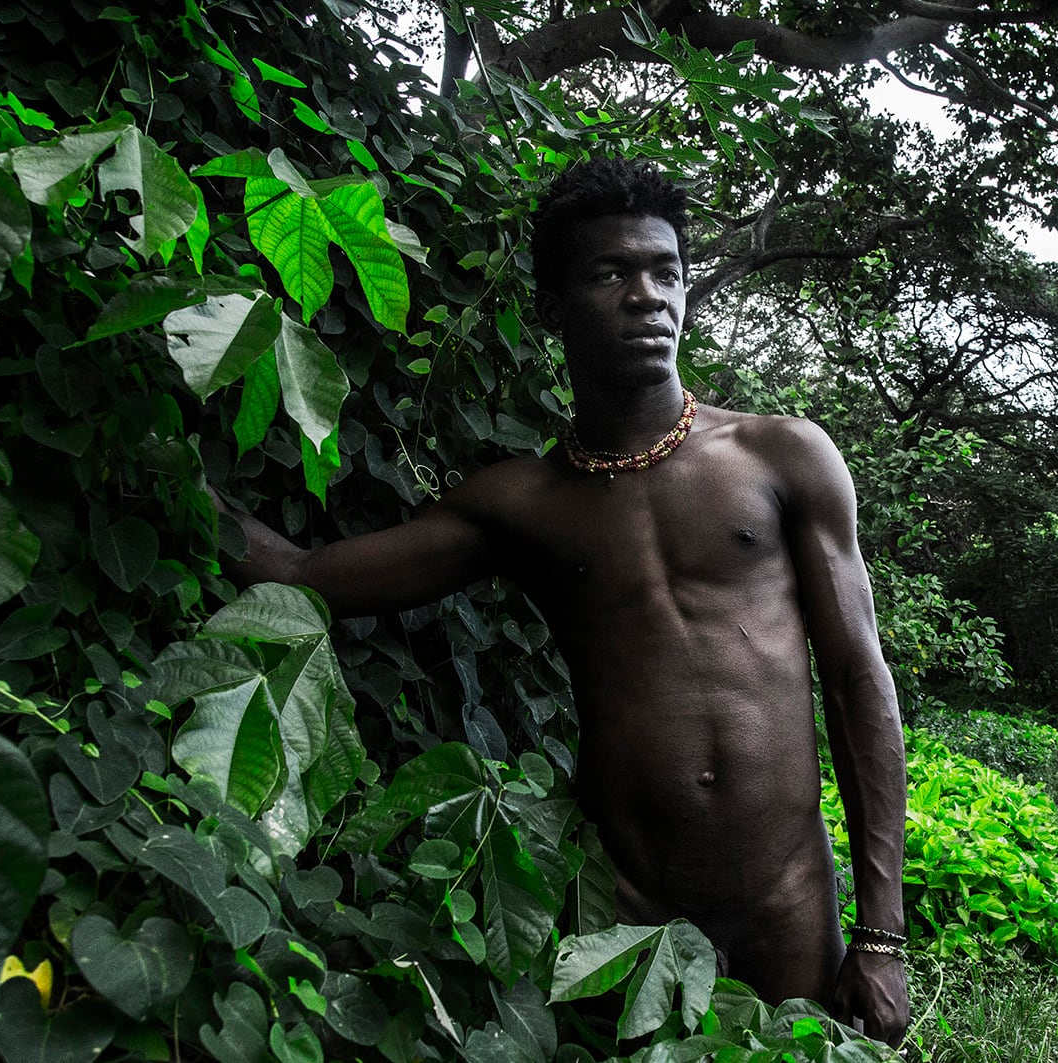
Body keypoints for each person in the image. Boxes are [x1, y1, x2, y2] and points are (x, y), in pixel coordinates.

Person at [217, 158, 910, 1044]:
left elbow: (860, 681)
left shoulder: (783, 458)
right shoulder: (523, 504)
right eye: (612, 272)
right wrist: (160, 463)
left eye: (666, 271)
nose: (648, 295)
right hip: (624, 914)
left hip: (791, 905)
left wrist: (882, 932)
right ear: (553, 310)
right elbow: (304, 576)